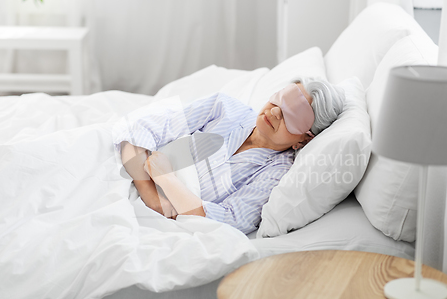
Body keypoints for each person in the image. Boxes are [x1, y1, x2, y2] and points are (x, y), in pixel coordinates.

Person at [114, 77, 345, 234]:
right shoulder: (223, 107)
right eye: (279, 100)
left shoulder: (276, 176)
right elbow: (138, 131)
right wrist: (151, 195)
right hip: (121, 177)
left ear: (305, 139)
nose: (274, 112)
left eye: (291, 116)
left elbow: (227, 221)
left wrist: (166, 179)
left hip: (154, 225)